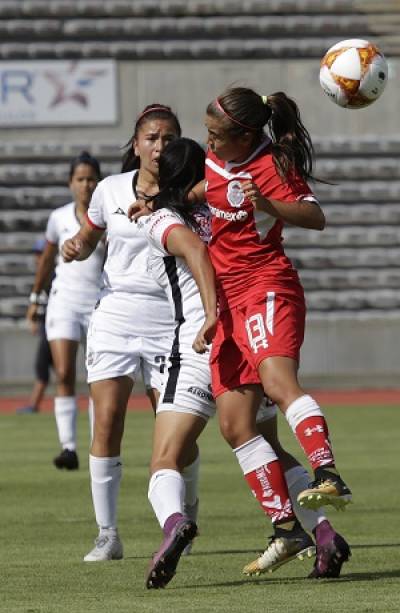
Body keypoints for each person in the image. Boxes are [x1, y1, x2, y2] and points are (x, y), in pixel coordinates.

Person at [133, 137, 344, 589]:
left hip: (201, 344)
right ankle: (317, 531)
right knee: (263, 441)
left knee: (166, 456)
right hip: (250, 330)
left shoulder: (162, 219)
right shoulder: (223, 201)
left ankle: (175, 525)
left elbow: (195, 253)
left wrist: (209, 314)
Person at [202, 87, 351, 578]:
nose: (210, 142)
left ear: (244, 136)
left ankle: (327, 473)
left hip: (265, 287)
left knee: (279, 385)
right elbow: (210, 185)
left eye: (218, 136)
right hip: (227, 307)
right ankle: (288, 530)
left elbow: (315, 216)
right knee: (235, 425)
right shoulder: (216, 158)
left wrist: (266, 201)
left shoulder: (270, 165)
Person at [61, 104, 201, 563]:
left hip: (170, 320)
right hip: (115, 315)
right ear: (136, 143)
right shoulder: (110, 189)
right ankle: (107, 534)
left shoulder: (189, 191)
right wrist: (78, 245)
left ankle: (184, 513)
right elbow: (90, 236)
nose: (160, 147)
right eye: (152, 138)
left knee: (178, 432)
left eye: (168, 139)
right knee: (107, 421)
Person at [27, 152, 103, 470]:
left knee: (98, 379)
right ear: (71, 183)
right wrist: (35, 297)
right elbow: (46, 260)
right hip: (64, 302)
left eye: (91, 179)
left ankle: (99, 445)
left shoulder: (106, 215)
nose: (85, 185)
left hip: (100, 304)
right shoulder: (59, 218)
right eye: (80, 179)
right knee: (65, 373)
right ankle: (68, 447)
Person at [17, 238, 53, 414]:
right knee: (54, 368)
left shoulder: (54, 275)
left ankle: (34, 404)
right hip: (47, 326)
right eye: (37, 254)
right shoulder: (43, 275)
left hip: (54, 327)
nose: (37, 257)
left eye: (40, 254)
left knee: (42, 366)